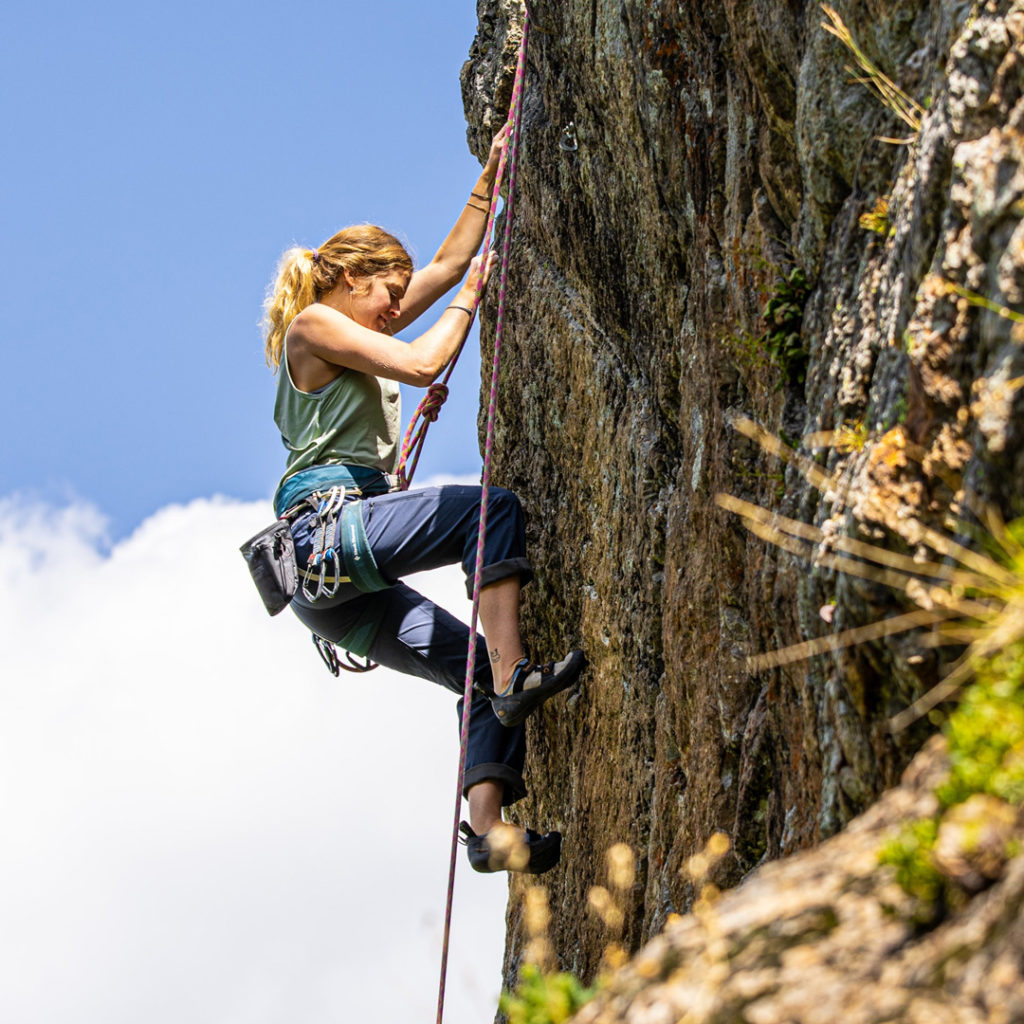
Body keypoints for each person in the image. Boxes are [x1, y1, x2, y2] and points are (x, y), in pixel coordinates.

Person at [261, 125, 585, 874]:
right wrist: (471, 301)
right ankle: (514, 676)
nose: (393, 307)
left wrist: (491, 179)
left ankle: (487, 828)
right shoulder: (315, 325)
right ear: (347, 277)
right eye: (386, 293)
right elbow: (423, 358)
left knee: (463, 670)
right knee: (489, 509)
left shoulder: (346, 329)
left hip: (328, 583)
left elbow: (446, 264)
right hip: (324, 538)